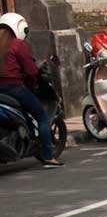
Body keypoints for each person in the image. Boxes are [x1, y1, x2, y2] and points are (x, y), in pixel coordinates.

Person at [0, 13, 62, 167]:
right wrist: (32, 81)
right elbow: (31, 71)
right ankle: (48, 157)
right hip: (14, 88)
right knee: (41, 115)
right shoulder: (17, 45)